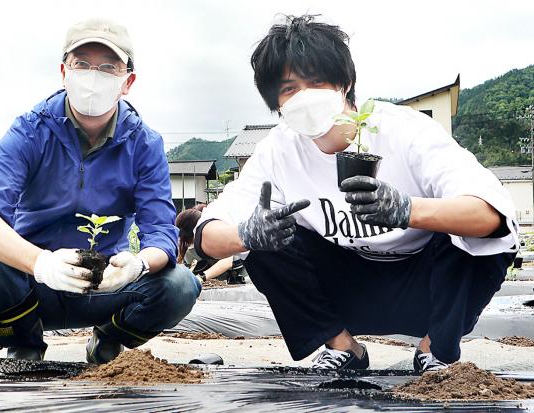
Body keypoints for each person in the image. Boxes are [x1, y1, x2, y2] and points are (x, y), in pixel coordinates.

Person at [194, 15, 518, 374]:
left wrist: (407, 209)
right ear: (276, 103)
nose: (304, 97)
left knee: (480, 236)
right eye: (289, 88)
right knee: (264, 240)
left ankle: (435, 349)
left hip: (425, 286)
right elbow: (207, 235)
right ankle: (343, 347)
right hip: (344, 289)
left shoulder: (406, 131)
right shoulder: (277, 151)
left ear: (345, 83)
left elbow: (491, 215)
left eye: (316, 81)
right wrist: (245, 234)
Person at [0, 18, 200, 364]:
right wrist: (40, 262)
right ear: (64, 71)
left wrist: (136, 266)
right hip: (33, 284)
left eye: (108, 68)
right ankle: (24, 344)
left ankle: (108, 337)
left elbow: (161, 231)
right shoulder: (31, 131)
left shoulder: (144, 144)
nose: (93, 77)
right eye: (82, 64)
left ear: (127, 81)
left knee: (180, 285)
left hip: (105, 286)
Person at [176, 204, 247, 285]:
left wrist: (201, 277)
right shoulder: (188, 250)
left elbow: (227, 262)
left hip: (244, 281)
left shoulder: (215, 233)